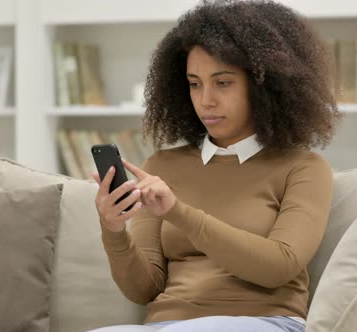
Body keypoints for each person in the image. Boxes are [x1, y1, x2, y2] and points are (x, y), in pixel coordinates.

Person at [89, 0, 342, 331]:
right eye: (195, 83)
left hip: (266, 321)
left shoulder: (304, 167)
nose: (205, 99)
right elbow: (144, 289)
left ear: (264, 85)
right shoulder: (163, 165)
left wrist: (178, 212)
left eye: (223, 82)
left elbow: (279, 266)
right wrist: (114, 230)